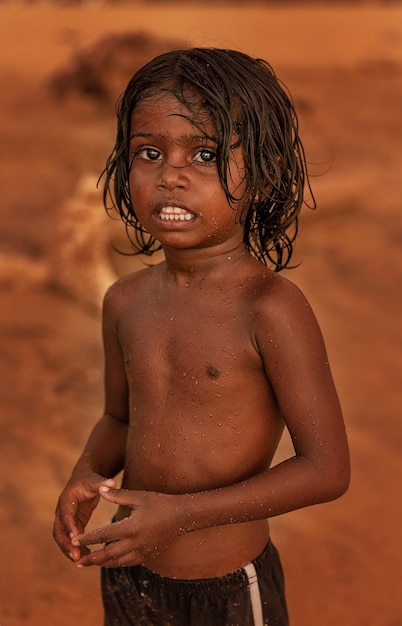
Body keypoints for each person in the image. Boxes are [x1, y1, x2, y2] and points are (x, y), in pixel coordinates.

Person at [53, 48, 350, 626]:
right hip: (127, 564)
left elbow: (326, 468)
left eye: (206, 154)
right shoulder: (125, 301)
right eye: (149, 152)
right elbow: (120, 419)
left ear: (261, 174)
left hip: (230, 585)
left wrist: (181, 515)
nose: (170, 174)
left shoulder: (270, 309)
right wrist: (84, 475)